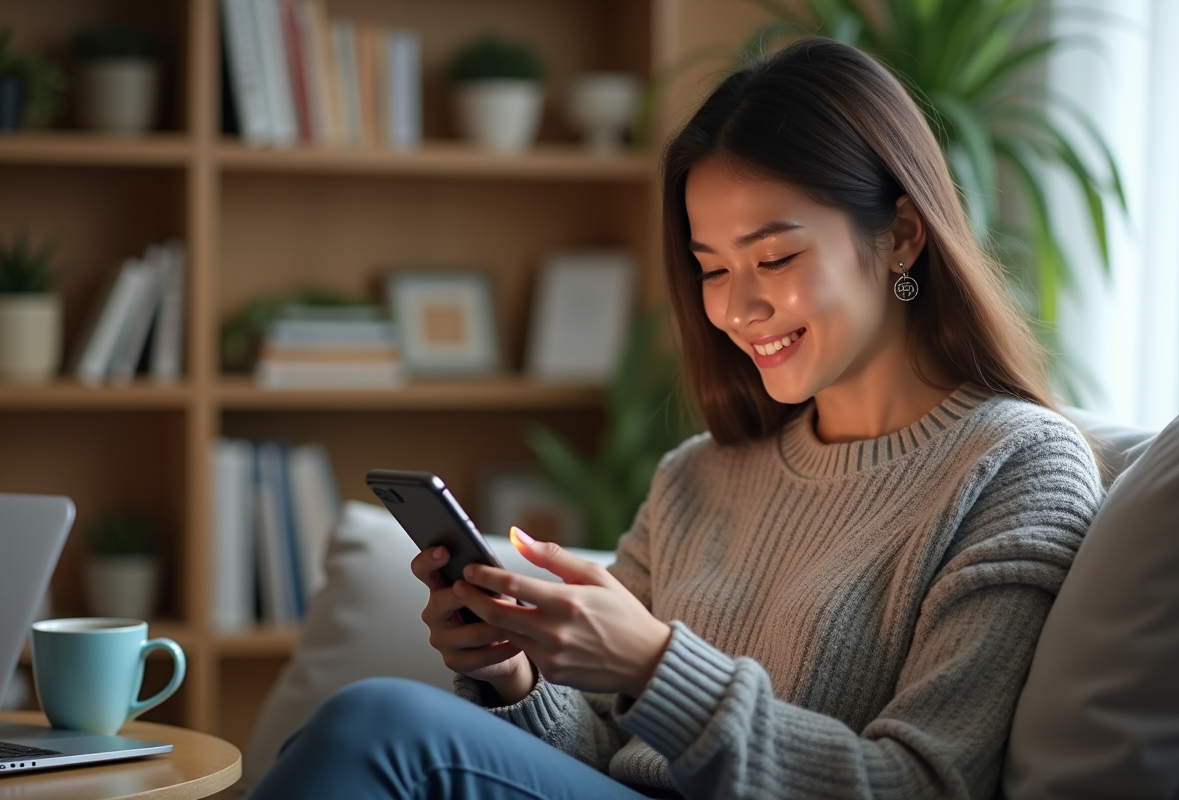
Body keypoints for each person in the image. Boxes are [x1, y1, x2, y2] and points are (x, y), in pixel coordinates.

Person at [250, 37, 1103, 800]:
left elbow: (927, 782)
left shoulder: (1015, 466)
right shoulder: (696, 476)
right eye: (712, 268)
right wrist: (513, 676)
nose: (740, 307)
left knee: (379, 728)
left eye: (776, 256)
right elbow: (601, 748)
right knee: (361, 732)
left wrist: (656, 666)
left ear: (905, 235)